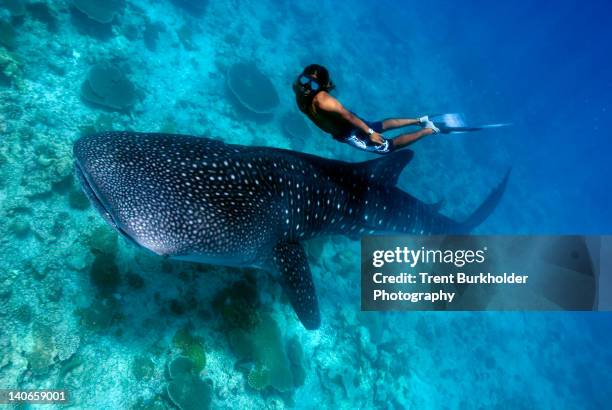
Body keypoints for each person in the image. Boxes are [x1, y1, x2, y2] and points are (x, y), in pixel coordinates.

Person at [292, 64, 440, 155]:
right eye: (305, 80)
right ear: (301, 76)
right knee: (379, 126)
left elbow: (348, 116)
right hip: (347, 123)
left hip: (350, 131)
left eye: (314, 85)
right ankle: (420, 120)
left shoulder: (324, 102)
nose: (307, 87)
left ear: (321, 87)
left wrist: (370, 134)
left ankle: (429, 129)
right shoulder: (297, 86)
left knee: (388, 148)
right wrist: (371, 130)